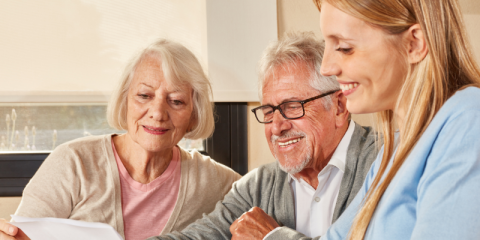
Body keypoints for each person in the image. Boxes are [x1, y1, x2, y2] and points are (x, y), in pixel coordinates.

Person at [0, 39, 241, 240]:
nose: (157, 112)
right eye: (144, 95)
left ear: (193, 114)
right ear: (125, 101)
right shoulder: (73, 163)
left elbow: (268, 212)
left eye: (176, 101)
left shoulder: (217, 182)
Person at [148, 32, 379, 240]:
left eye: (292, 106)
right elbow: (197, 237)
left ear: (339, 106)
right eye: (269, 111)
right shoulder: (257, 186)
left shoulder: (388, 161)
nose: (277, 127)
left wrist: (273, 237)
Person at [314, 0, 480, 239]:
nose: (326, 68)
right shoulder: (391, 154)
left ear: (414, 44)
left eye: (344, 48)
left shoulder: (468, 121)